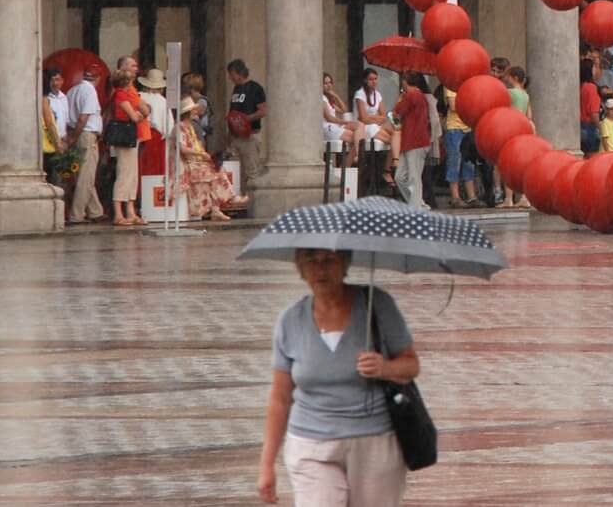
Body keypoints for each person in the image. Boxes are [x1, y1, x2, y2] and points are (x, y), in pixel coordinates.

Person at [257, 248, 418, 506]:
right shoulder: (291, 321)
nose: (320, 269)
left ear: (345, 263)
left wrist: (384, 368)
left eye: (329, 260)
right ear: (301, 268)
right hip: (311, 444)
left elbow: (411, 365)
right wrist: (266, 465)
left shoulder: (377, 305)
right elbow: (280, 398)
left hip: (374, 441)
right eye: (311, 261)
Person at [178, 97, 248, 221]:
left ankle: (217, 208)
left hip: (196, 161)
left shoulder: (190, 127)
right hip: (189, 162)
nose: (196, 111)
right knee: (215, 171)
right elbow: (182, 148)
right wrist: (200, 154)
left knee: (217, 169)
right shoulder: (181, 127)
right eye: (193, 110)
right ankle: (229, 199)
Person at [108, 69, 148, 227]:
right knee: (124, 174)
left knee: (132, 175)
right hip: (124, 137)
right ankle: (118, 214)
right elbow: (134, 116)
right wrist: (141, 114)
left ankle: (130, 211)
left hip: (130, 137)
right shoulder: (121, 95)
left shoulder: (124, 95)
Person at [65, 72, 105, 224]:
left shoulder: (72, 90)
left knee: (85, 174)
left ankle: (95, 211)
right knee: (85, 177)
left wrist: (73, 136)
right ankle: (77, 214)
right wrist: (76, 135)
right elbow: (83, 117)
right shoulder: (89, 91)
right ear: (98, 78)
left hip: (77, 133)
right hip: (86, 134)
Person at [390, 73, 433, 210]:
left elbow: (396, 113)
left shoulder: (411, 95)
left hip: (416, 142)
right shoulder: (420, 96)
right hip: (411, 142)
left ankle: (415, 207)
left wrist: (400, 99)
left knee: (413, 177)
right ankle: (418, 203)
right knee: (400, 177)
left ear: (405, 81)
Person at [228, 60, 270, 183]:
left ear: (239, 73)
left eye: (232, 74)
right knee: (237, 174)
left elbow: (263, 111)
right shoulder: (236, 88)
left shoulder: (255, 88)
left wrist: (246, 119)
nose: (230, 77)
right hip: (236, 136)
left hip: (250, 135)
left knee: (252, 172)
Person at [440, 83, 478, 208]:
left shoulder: (470, 85)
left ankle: (471, 197)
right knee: (454, 162)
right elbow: (453, 106)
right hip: (454, 128)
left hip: (468, 127)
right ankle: (455, 197)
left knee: (469, 163)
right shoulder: (450, 85)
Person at [322, 73, 361, 168]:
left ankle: (355, 157)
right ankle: (352, 161)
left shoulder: (329, 99)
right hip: (328, 127)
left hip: (335, 126)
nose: (329, 85)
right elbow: (328, 117)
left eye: (330, 82)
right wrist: (345, 122)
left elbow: (344, 110)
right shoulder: (321, 98)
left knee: (359, 126)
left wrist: (336, 96)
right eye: (325, 83)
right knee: (357, 138)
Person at [579, 58, 602, 155]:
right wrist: (602, 128)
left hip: (580, 127)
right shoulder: (592, 88)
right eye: (595, 67)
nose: (597, 70)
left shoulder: (580, 86)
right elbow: (594, 114)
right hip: (590, 129)